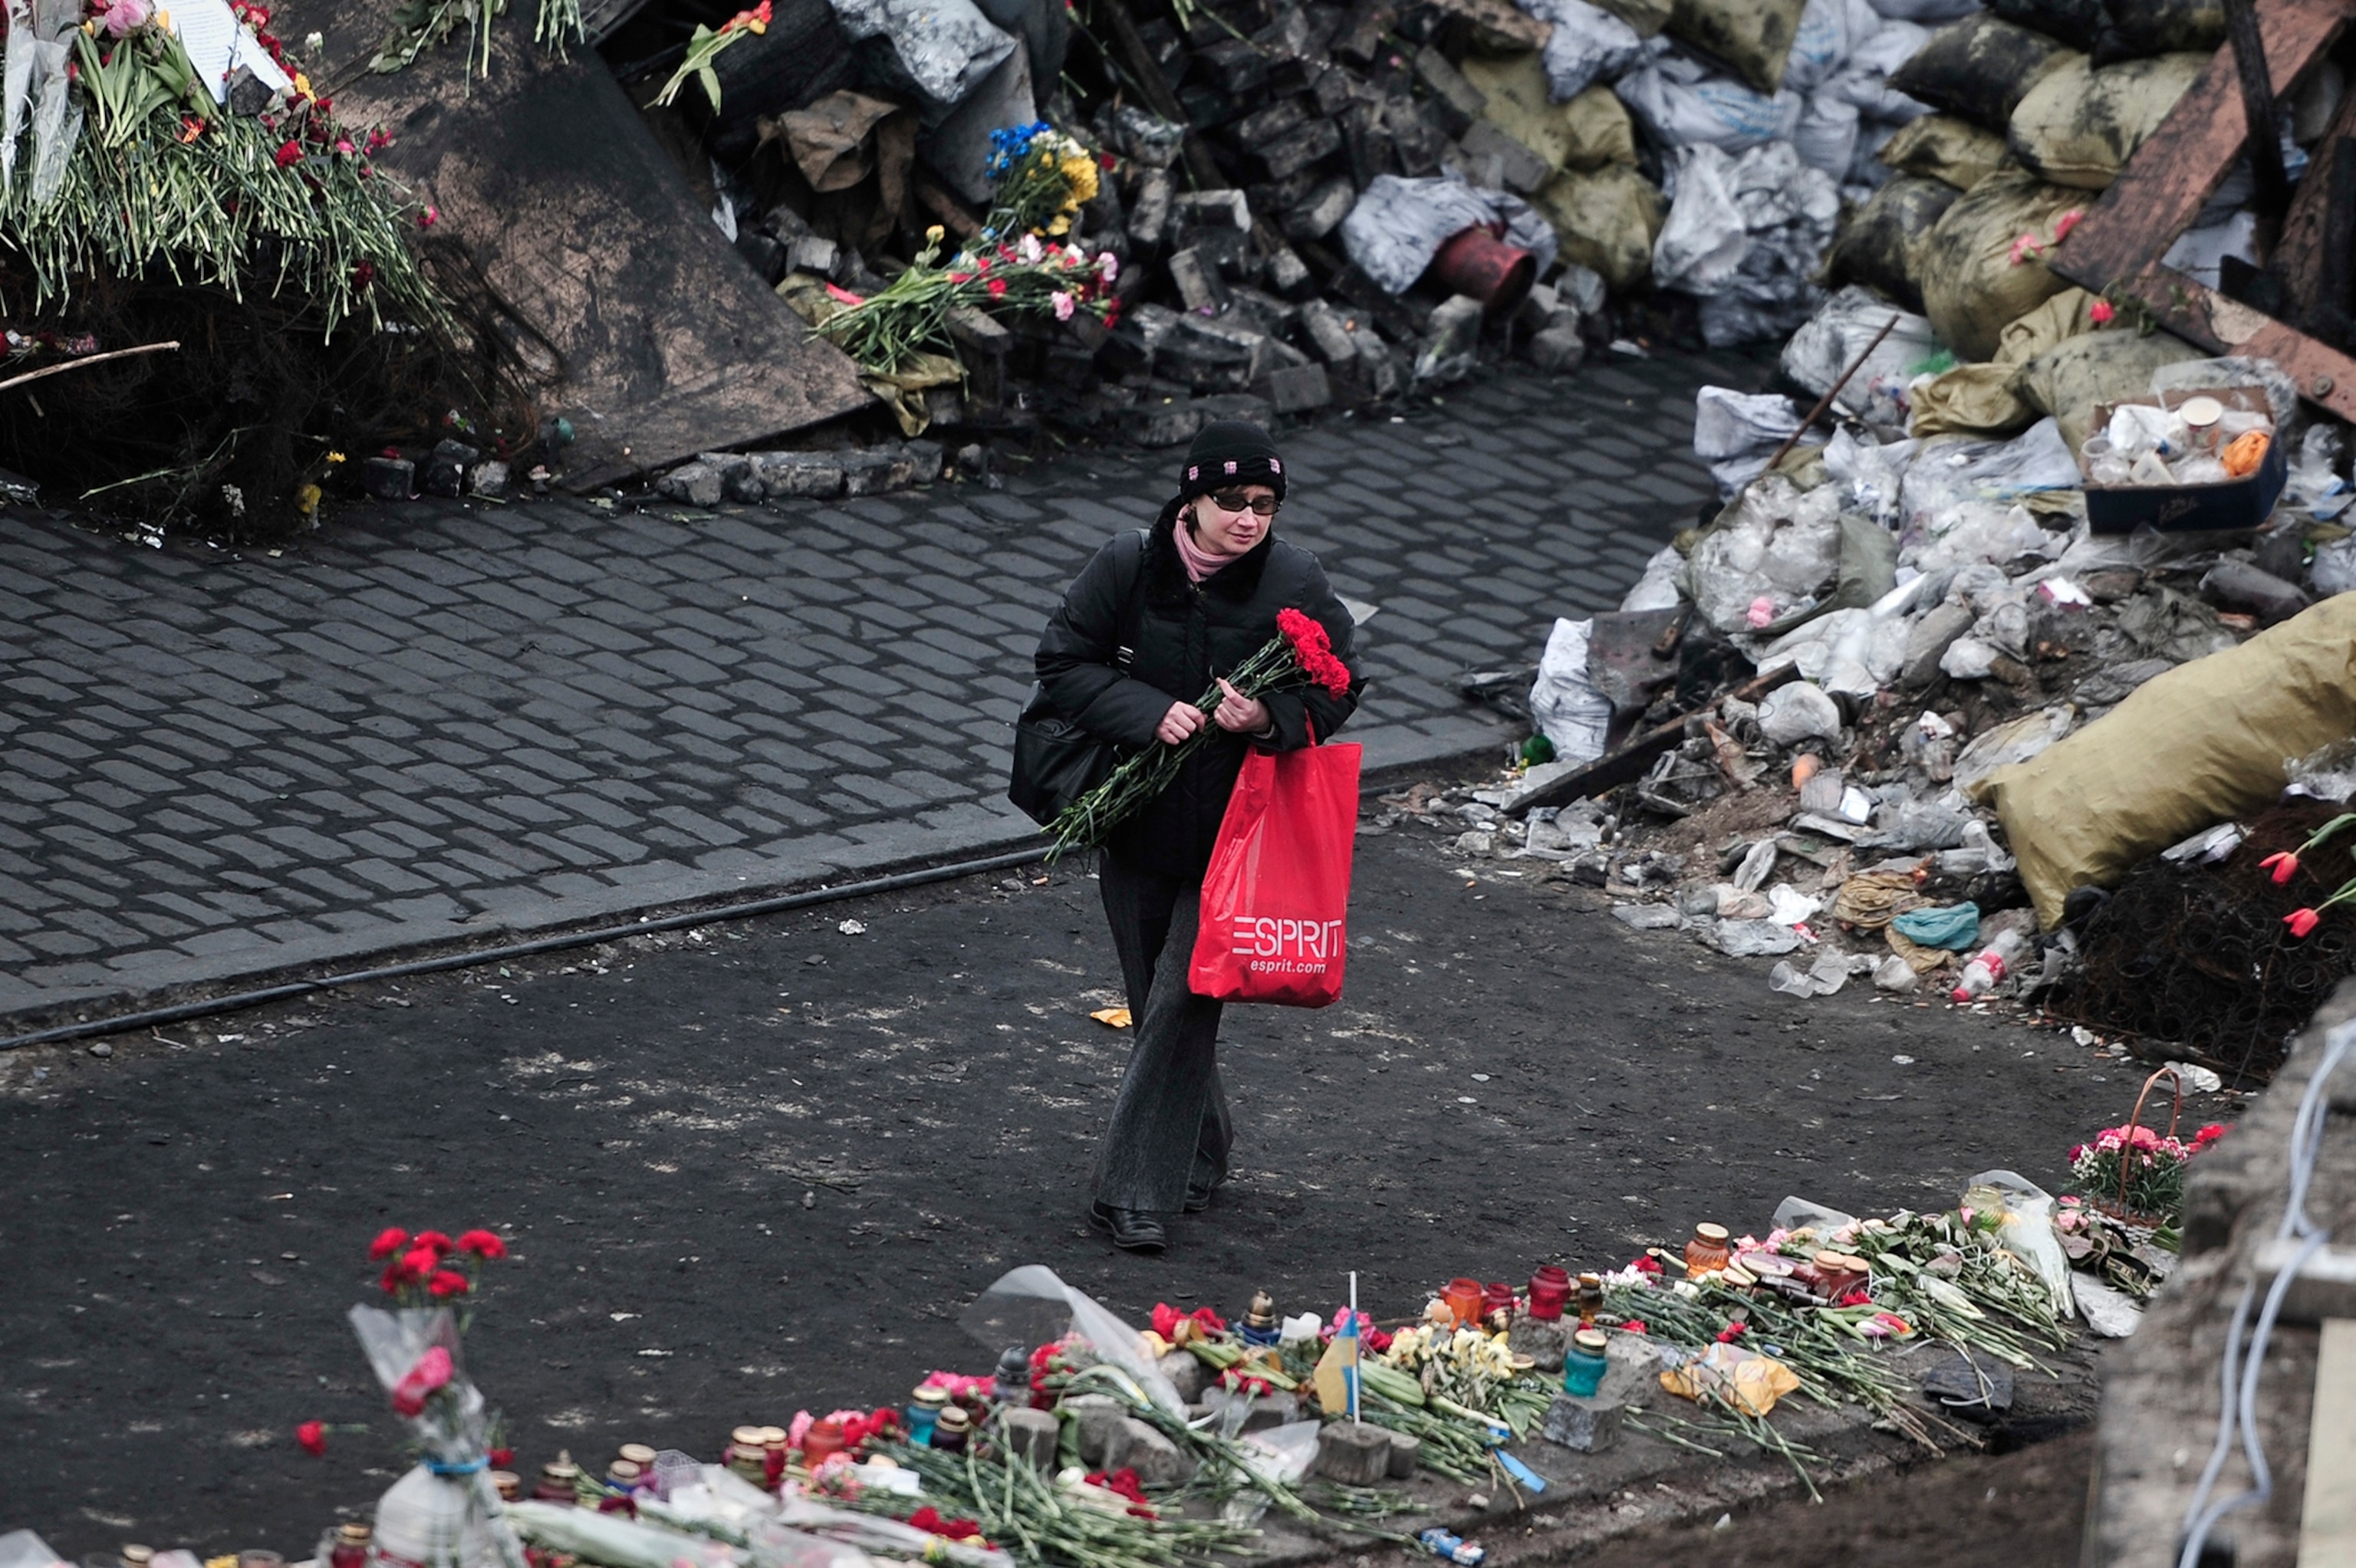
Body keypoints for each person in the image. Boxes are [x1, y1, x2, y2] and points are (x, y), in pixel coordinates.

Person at [1033, 421, 1360, 1254]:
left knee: (1184, 999)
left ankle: (1132, 1191)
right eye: (1232, 501)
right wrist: (1150, 712)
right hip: (1137, 823)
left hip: (1234, 837)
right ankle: (1204, 1150)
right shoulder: (1126, 564)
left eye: (1265, 504)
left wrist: (1270, 717)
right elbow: (1065, 663)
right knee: (1156, 1006)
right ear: (1191, 497)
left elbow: (1340, 686)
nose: (1250, 519)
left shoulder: (1294, 579)